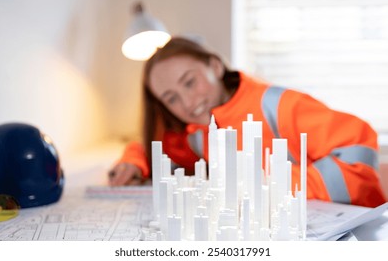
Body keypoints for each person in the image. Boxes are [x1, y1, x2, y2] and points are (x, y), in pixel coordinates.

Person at [109, 36, 386, 208]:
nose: (188, 103)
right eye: (172, 98)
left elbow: (358, 158)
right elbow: (153, 148)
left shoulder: (278, 104)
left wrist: (262, 184)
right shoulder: (199, 133)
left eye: (190, 82)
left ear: (215, 66)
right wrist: (133, 161)